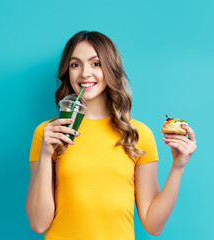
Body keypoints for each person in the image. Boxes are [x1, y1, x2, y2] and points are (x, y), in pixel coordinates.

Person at [25, 31, 197, 239]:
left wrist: (178, 166)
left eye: (96, 63)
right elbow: (38, 223)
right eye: (75, 64)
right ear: (67, 71)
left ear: (110, 68)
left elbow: (153, 225)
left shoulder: (138, 134)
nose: (85, 73)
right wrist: (45, 154)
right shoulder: (49, 133)